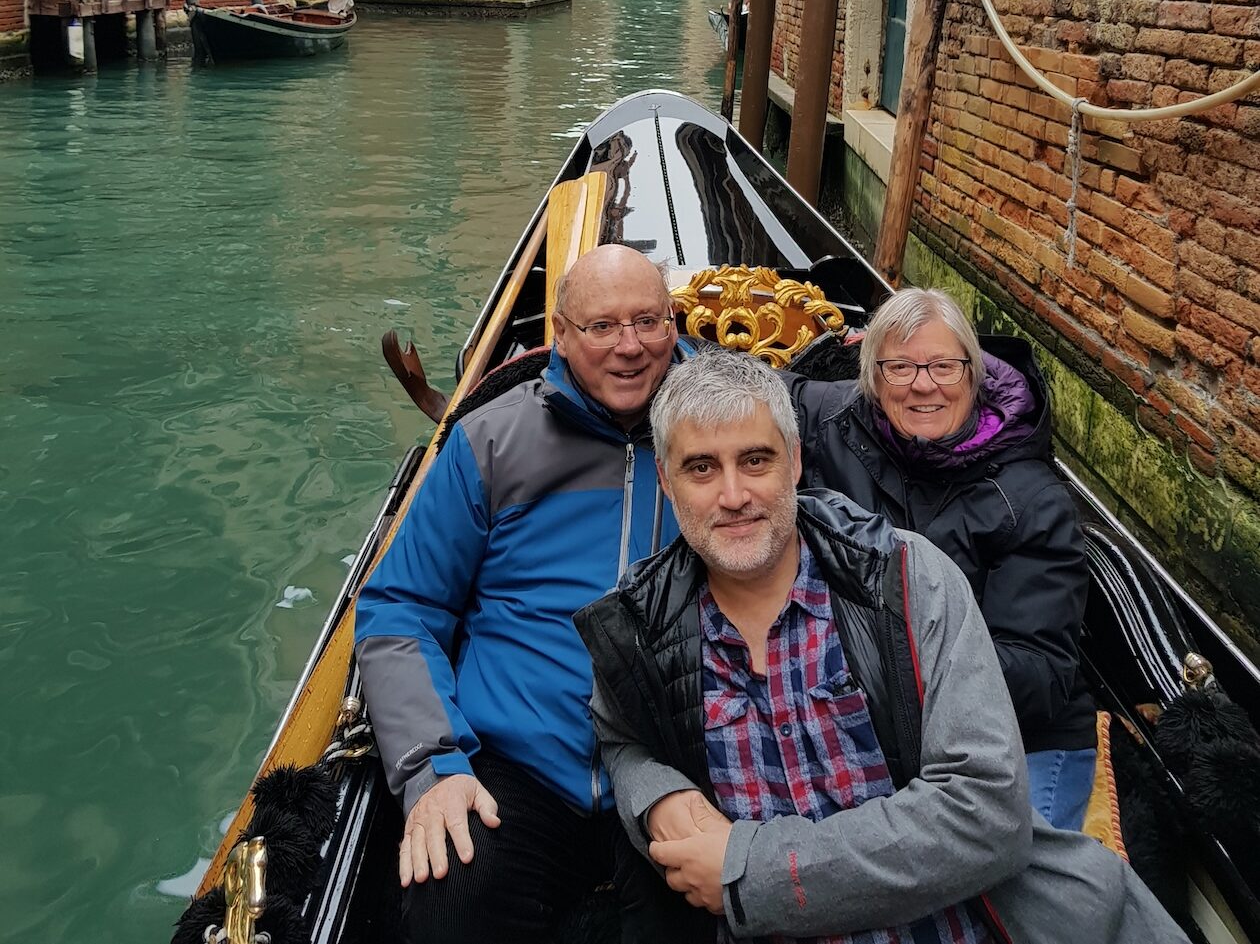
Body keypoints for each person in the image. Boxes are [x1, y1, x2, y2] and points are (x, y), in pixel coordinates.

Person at [575, 348, 1188, 944]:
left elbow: (985, 812)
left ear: (794, 462)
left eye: (755, 460)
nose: (733, 496)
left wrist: (749, 870)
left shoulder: (909, 576)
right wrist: (655, 795)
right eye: (701, 468)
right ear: (666, 479)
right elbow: (622, 737)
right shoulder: (638, 623)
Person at [354, 243, 694, 943]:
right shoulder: (490, 441)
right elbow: (402, 608)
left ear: (675, 324)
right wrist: (434, 765)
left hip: (676, 760)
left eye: (649, 322)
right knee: (446, 897)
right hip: (519, 766)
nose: (630, 347)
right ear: (560, 337)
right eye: (602, 327)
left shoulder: (716, 432)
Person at [786, 288, 1096, 831]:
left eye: (944, 367)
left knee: (1018, 888)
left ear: (973, 375)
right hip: (878, 717)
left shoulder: (1032, 500)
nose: (923, 385)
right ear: (873, 378)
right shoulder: (835, 419)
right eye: (900, 367)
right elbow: (743, 393)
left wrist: (889, 666)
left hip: (1019, 735)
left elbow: (1039, 673)